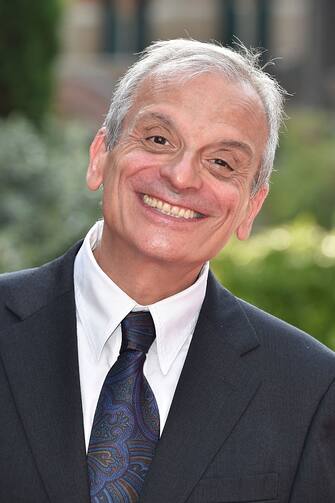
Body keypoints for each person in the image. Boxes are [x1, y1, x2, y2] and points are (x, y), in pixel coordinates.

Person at [0, 39, 335, 503]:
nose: (181, 177)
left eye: (221, 162)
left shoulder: (309, 389)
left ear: (250, 207)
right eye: (159, 139)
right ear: (101, 154)